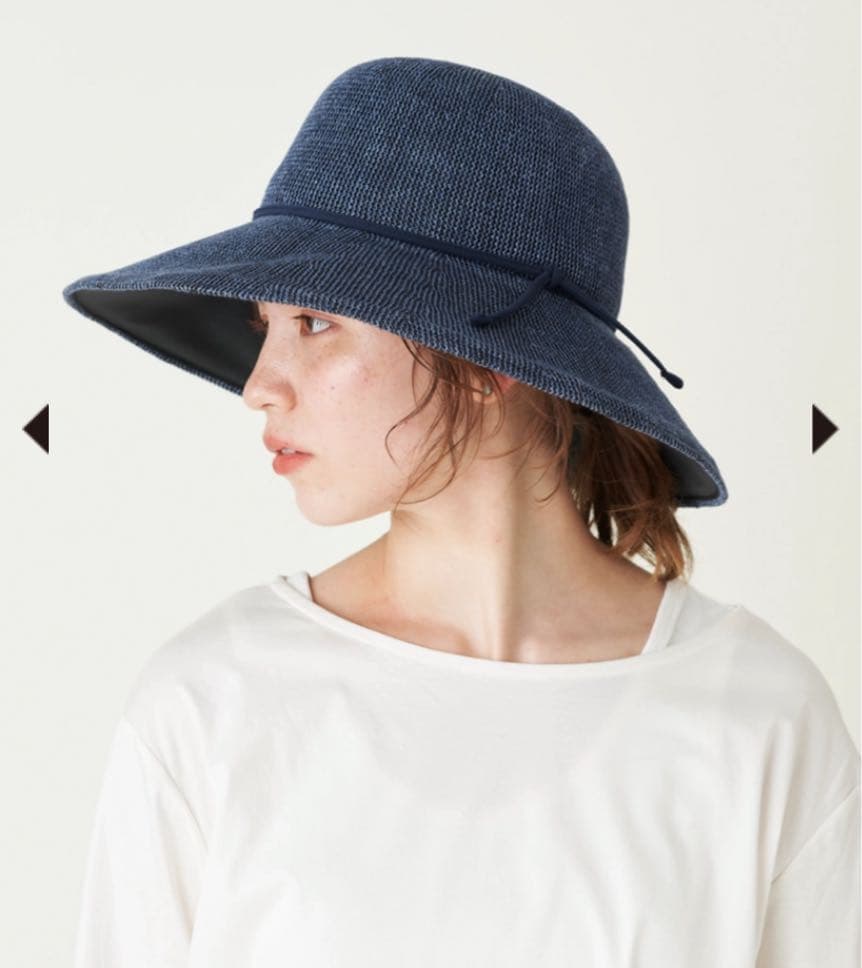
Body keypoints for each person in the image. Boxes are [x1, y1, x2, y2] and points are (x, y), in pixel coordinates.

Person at [63, 57, 859, 967]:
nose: (259, 386)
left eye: (315, 323)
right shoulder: (214, 701)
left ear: (485, 364)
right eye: (265, 328)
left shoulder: (758, 715)